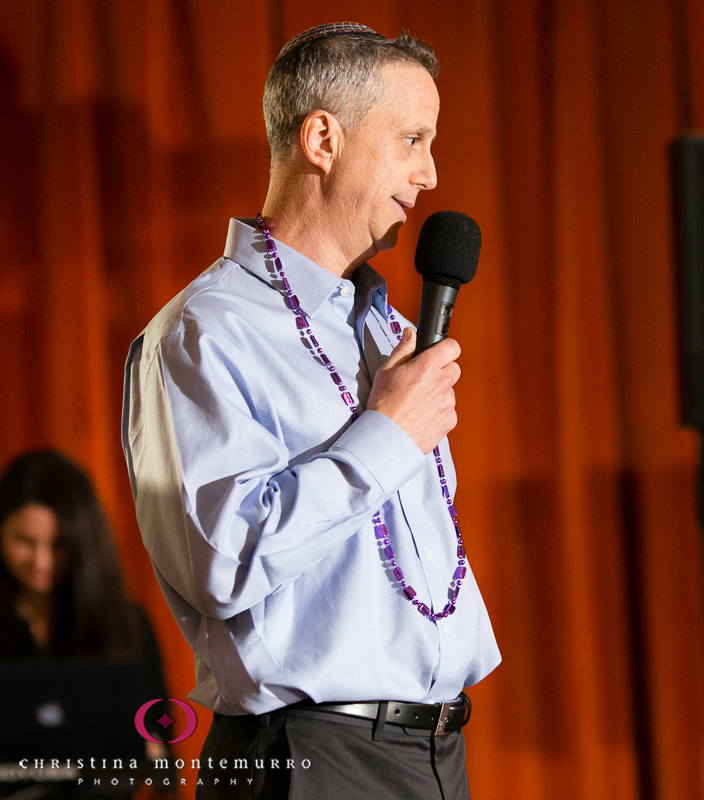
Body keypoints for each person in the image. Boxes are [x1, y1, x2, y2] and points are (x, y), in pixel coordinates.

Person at [121, 22, 499, 800]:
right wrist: (386, 435)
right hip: (309, 758)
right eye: (412, 139)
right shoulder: (203, 331)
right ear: (322, 138)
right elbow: (223, 562)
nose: (430, 173)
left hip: (435, 754)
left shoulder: (389, 333)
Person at [0, 449, 173, 794]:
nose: (41, 561)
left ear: (83, 543)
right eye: (25, 542)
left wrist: (146, 749)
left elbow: (163, 763)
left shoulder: (126, 624)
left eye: (58, 544)